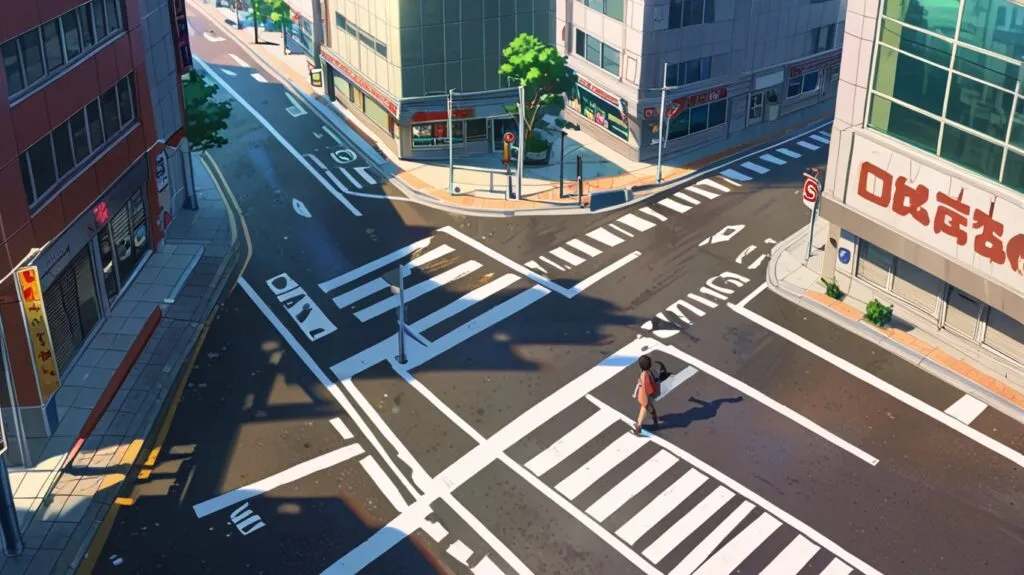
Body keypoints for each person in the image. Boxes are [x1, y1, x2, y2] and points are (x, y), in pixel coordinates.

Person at [633, 355, 660, 435]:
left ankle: (638, 426)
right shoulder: (650, 372)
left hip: (647, 396)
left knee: (644, 407)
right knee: (649, 406)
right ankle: (655, 418)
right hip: (649, 396)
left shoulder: (645, 375)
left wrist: (640, 383)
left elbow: (648, 388)